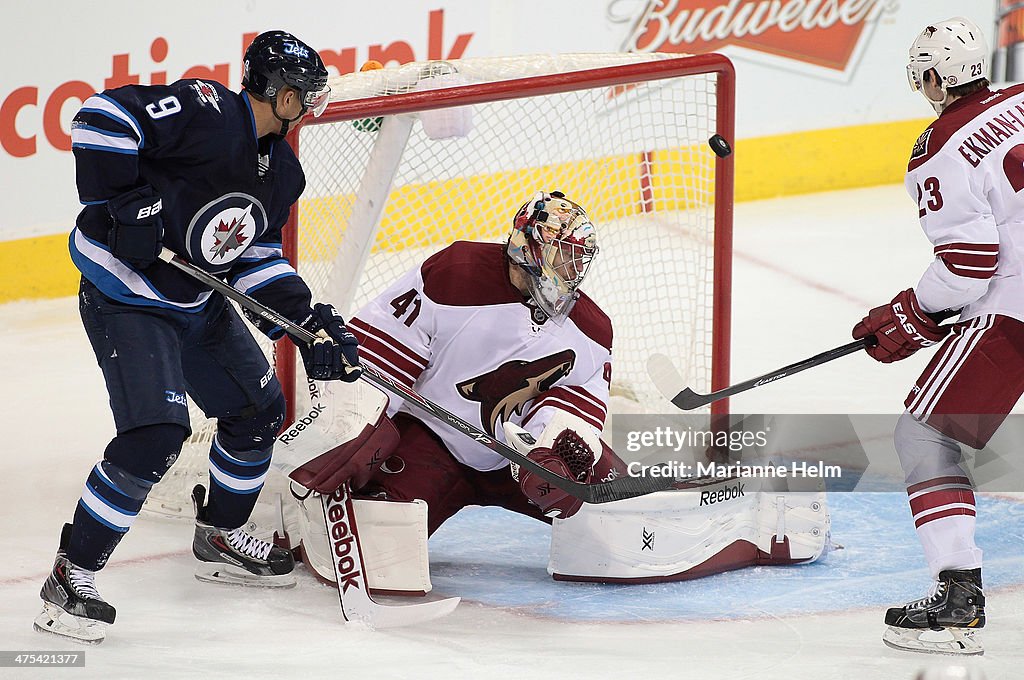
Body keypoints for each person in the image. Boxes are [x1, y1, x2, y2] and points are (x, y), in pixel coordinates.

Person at [275, 191, 829, 592]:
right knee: (376, 542)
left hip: (517, 455)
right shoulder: (454, 274)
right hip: (432, 443)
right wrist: (359, 425)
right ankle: (276, 518)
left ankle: (752, 511)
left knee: (619, 522)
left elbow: (577, 405)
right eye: (564, 253)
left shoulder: (592, 328)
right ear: (527, 248)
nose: (574, 268)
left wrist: (554, 449)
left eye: (579, 256)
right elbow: (376, 361)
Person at [35, 31, 363, 644]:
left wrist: (304, 319)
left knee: (258, 412)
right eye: (304, 94)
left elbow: (256, 254)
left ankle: (218, 535)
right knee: (156, 434)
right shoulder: (206, 112)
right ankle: (69, 575)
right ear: (276, 91)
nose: (312, 105)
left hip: (197, 297)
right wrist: (124, 205)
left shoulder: (282, 170)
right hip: (125, 293)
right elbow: (102, 118)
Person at [851, 17, 1023, 656]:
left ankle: (957, 604)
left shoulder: (940, 148)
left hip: (1016, 309)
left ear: (931, 77)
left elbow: (972, 263)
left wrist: (911, 313)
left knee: (926, 436)